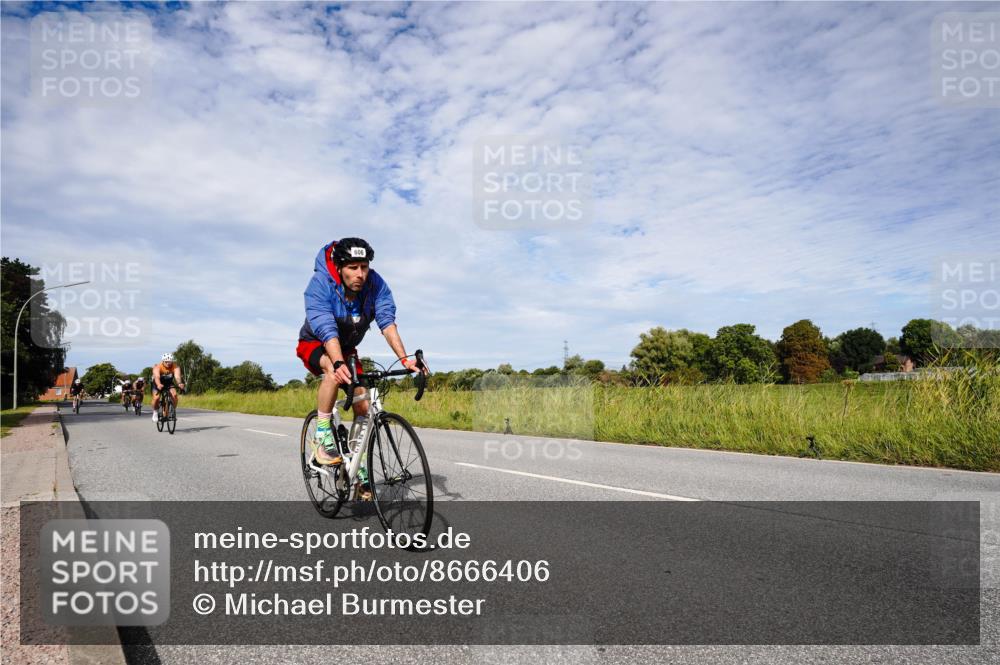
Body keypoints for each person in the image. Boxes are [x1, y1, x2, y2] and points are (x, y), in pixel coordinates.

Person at [295, 238, 426, 498]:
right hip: (316, 343)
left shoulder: (376, 285)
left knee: (363, 406)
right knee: (334, 371)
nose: (360, 274)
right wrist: (338, 361)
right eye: (353, 267)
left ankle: (357, 467)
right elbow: (325, 328)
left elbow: (387, 323)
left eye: (364, 267)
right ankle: (322, 438)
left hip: (347, 349)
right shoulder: (320, 284)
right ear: (340, 267)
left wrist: (404, 359)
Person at [151, 353, 186, 422]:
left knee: (174, 395)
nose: (168, 363)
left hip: (168, 383)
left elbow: (177, 376)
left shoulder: (175, 367)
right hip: (158, 383)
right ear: (163, 361)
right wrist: (158, 384)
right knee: (156, 398)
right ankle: (155, 412)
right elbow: (157, 377)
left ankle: (172, 411)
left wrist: (179, 383)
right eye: (166, 362)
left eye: (170, 361)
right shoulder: (157, 367)